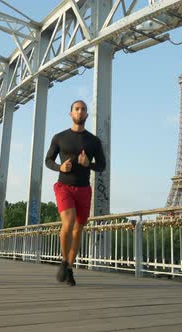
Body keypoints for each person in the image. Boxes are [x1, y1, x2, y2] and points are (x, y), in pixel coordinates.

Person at [45, 100, 106, 286]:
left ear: (87, 115)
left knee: (78, 230)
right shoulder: (59, 137)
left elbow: (102, 165)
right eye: (77, 109)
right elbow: (48, 160)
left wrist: (89, 164)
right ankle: (65, 262)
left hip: (84, 189)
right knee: (68, 221)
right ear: (70, 114)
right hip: (64, 186)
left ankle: (68, 267)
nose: (80, 112)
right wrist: (60, 167)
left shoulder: (94, 141)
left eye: (83, 109)